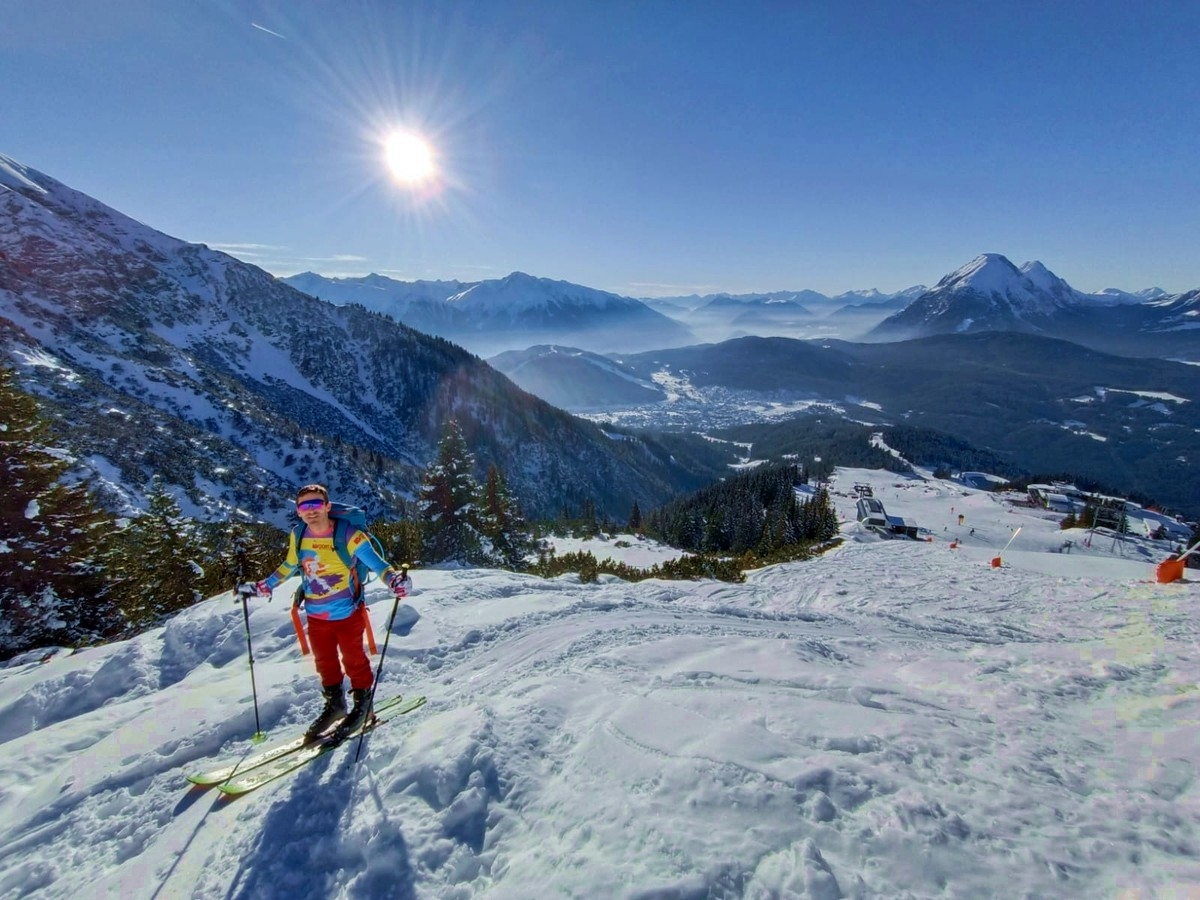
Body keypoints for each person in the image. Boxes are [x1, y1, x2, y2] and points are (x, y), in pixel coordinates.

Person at [242, 483, 412, 741]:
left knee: (354, 660)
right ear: (298, 511)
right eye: (304, 506)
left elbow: (378, 565)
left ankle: (364, 707)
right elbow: (290, 564)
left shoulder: (350, 536)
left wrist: (394, 581)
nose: (311, 511)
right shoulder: (298, 535)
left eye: (316, 504)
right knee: (325, 663)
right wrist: (265, 586)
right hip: (315, 615)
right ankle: (336, 706)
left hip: (347, 614)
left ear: (327, 507)